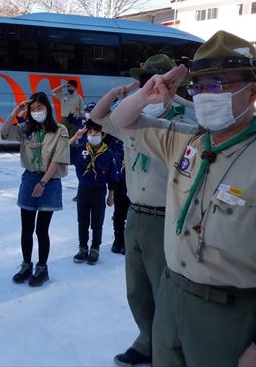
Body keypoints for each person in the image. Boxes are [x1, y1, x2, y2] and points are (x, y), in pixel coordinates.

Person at [110, 30, 256, 366]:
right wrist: (148, 94)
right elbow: (121, 120)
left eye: (217, 84)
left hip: (229, 314)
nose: (205, 95)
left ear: (253, 91)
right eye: (199, 86)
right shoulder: (185, 142)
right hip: (171, 298)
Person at [91, 54, 196, 367]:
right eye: (144, 80)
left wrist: (177, 99)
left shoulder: (185, 121)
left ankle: (169, 347)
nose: (149, 85)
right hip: (136, 213)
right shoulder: (131, 119)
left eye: (156, 79)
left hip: (169, 216)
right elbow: (97, 117)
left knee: (165, 289)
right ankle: (146, 340)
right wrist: (119, 94)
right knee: (137, 288)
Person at [1, 92, 70, 286]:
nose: (36, 112)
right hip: (30, 178)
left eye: (40, 108)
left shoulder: (60, 130)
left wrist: (43, 183)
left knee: (42, 229)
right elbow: (5, 133)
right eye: (33, 109)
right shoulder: (25, 129)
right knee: (26, 228)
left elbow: (58, 158)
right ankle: (26, 265)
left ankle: (42, 267)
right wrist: (16, 111)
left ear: (47, 108)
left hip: (49, 181)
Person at [69, 119, 118, 265]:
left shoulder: (108, 153)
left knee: (97, 222)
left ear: (103, 135)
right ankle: (83, 247)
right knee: (82, 221)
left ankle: (95, 248)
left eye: (96, 132)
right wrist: (76, 137)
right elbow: (63, 149)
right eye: (90, 132)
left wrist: (111, 195)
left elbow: (112, 176)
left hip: (99, 192)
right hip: (83, 190)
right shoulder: (80, 150)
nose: (93, 135)